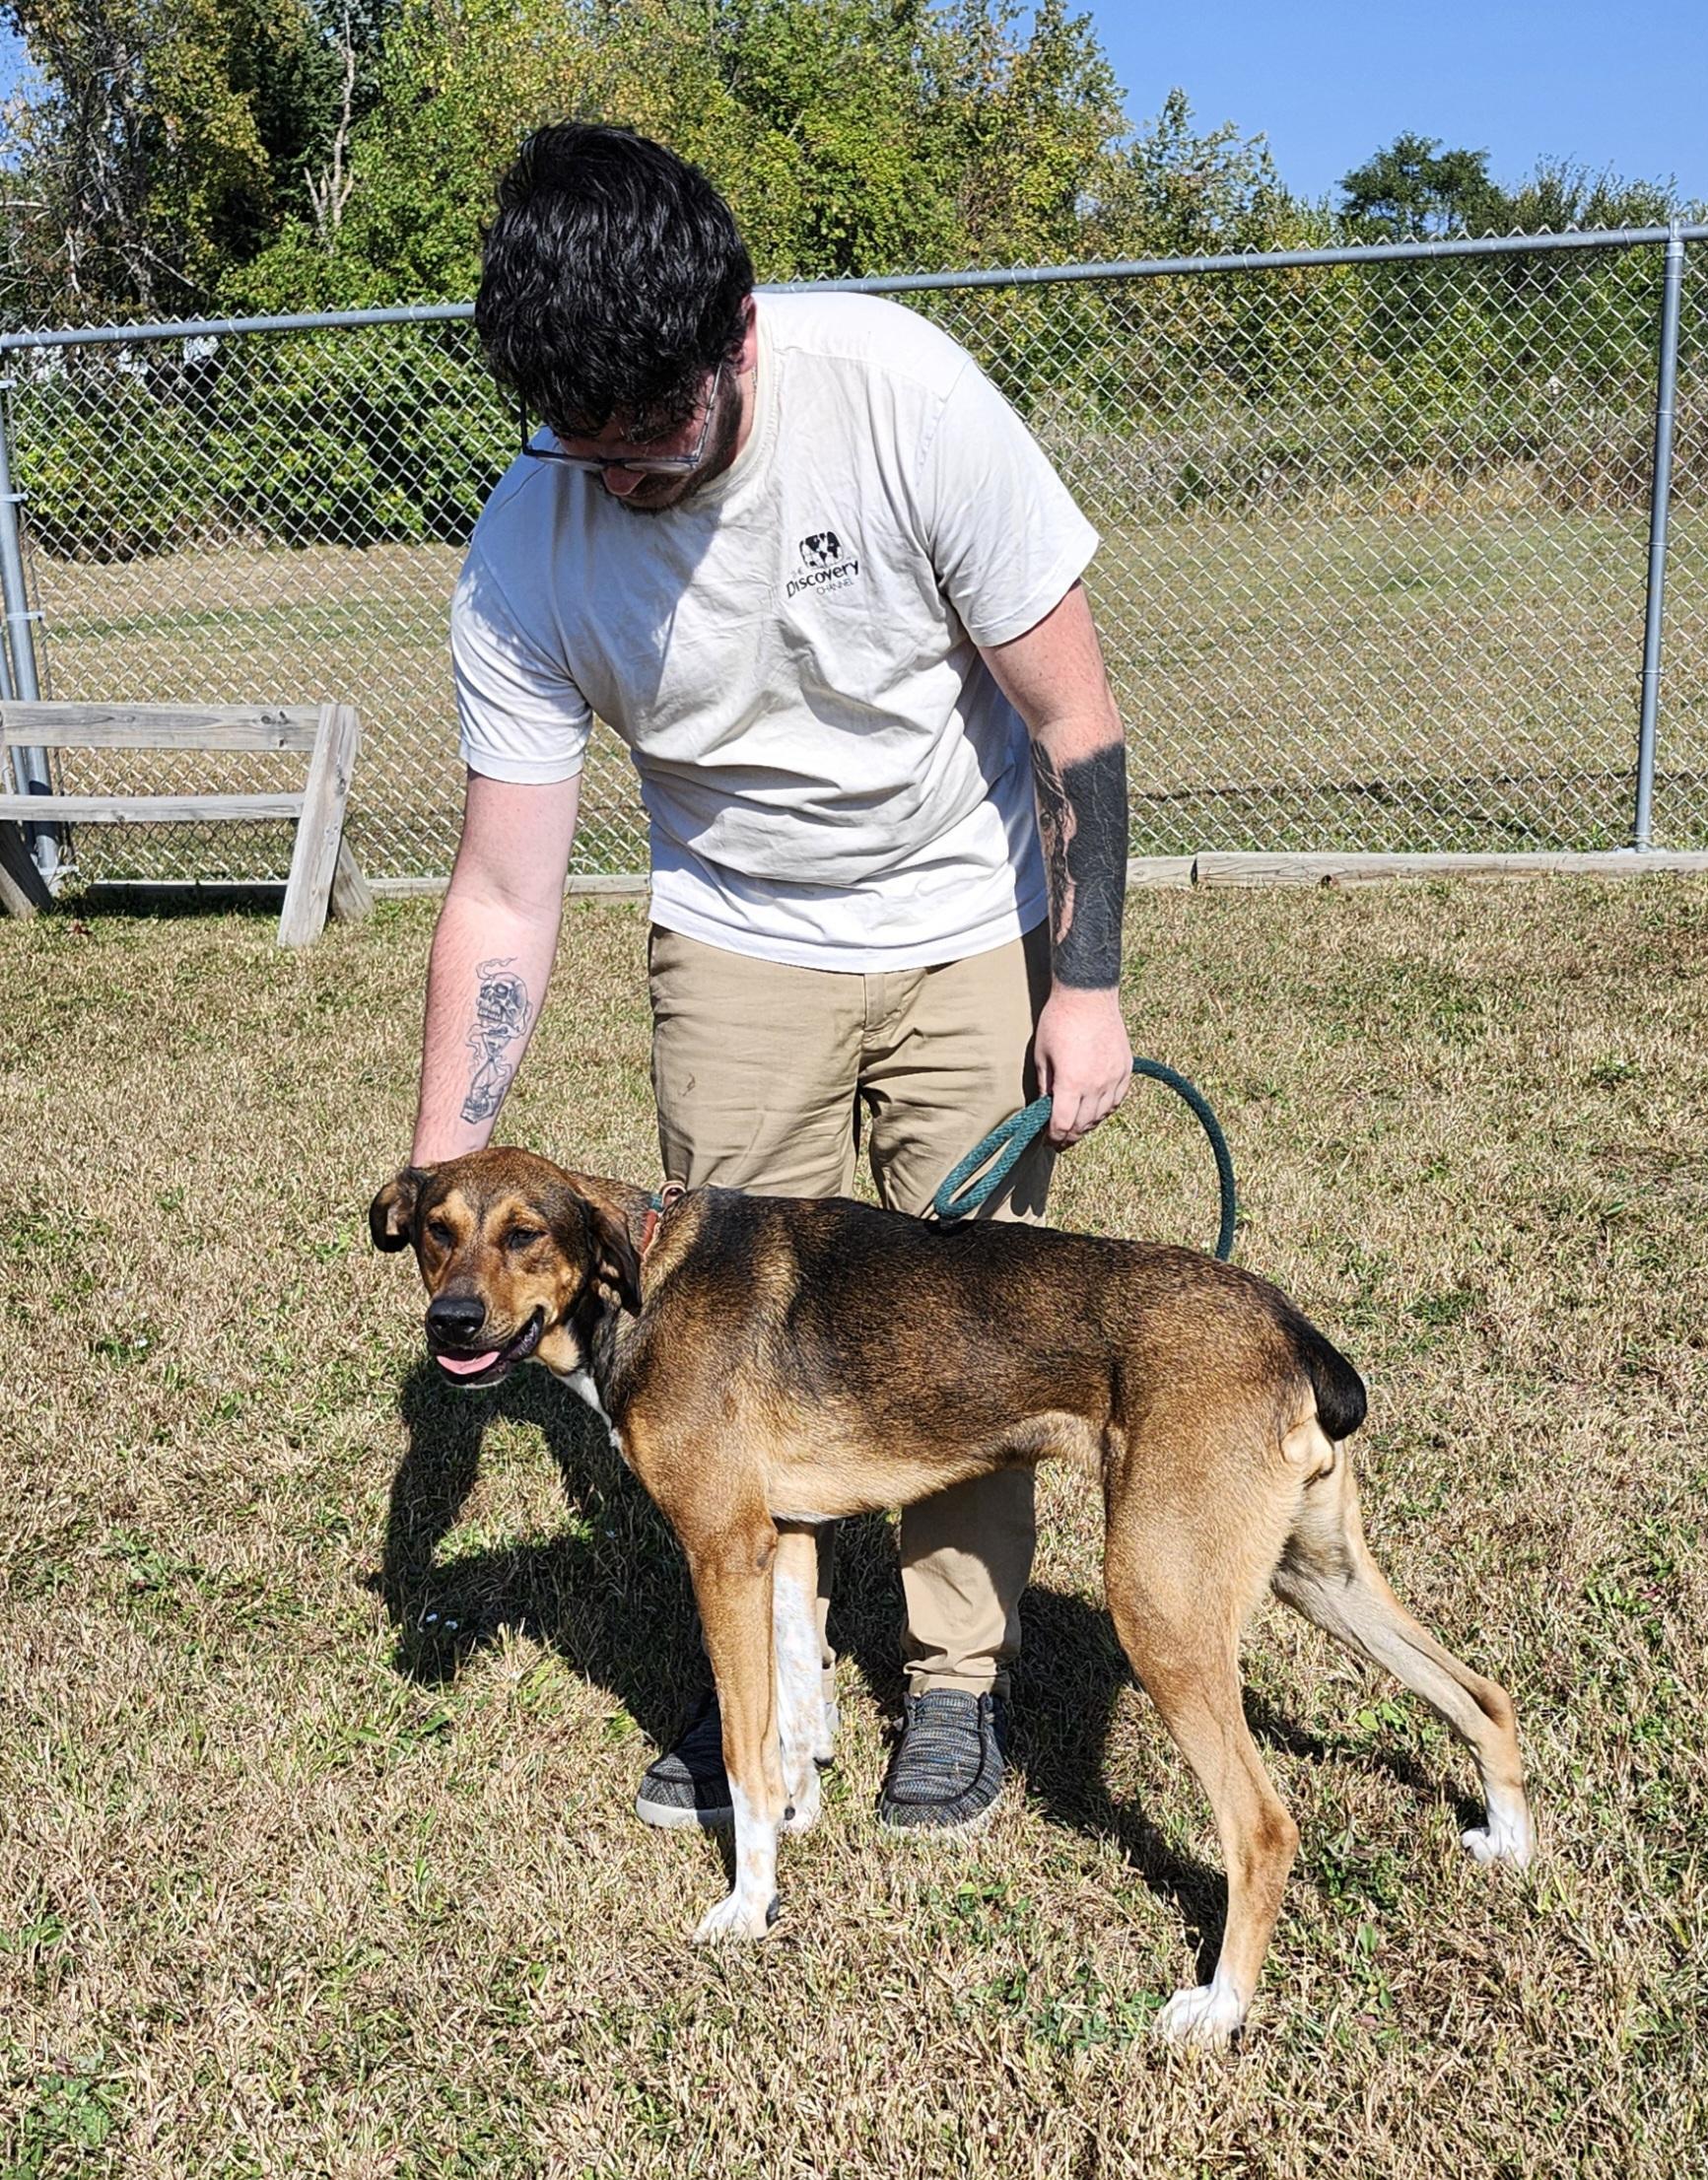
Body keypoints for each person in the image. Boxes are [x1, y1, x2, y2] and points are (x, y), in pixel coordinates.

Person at [408, 122, 1133, 1837]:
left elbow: (1074, 727)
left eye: (654, 441)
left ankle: (956, 1683)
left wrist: (1082, 980)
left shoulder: (902, 394)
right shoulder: (531, 544)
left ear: (736, 334)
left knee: (966, 1331)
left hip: (967, 915)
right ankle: (774, 1698)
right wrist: (448, 1174)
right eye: (585, 450)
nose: (627, 485)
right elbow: (506, 886)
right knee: (719, 1347)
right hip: (733, 944)